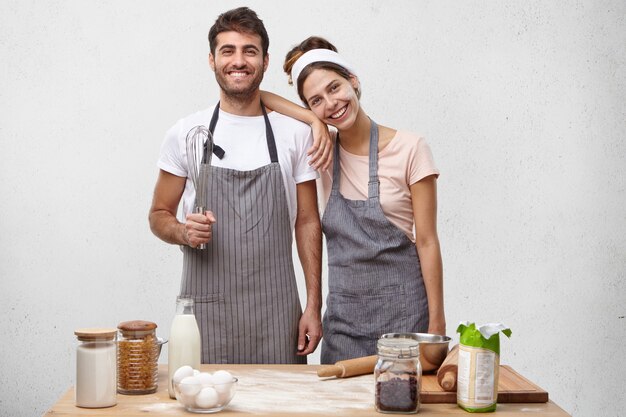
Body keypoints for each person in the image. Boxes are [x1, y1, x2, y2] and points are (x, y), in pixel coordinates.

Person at [148, 8, 327, 364]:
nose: (239, 60)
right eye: (228, 50)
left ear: (264, 60)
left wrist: (313, 305)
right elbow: (157, 215)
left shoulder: (294, 133)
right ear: (212, 60)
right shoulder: (185, 132)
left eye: (250, 50)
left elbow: (308, 221)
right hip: (205, 316)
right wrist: (184, 231)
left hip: (278, 315)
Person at [262, 36, 446, 363]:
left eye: (334, 88)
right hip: (344, 325)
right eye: (316, 100)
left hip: (405, 322)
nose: (330, 103)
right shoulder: (323, 153)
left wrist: (437, 324)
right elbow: (261, 98)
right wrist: (313, 124)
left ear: (353, 80)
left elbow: (428, 242)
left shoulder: (410, 148)